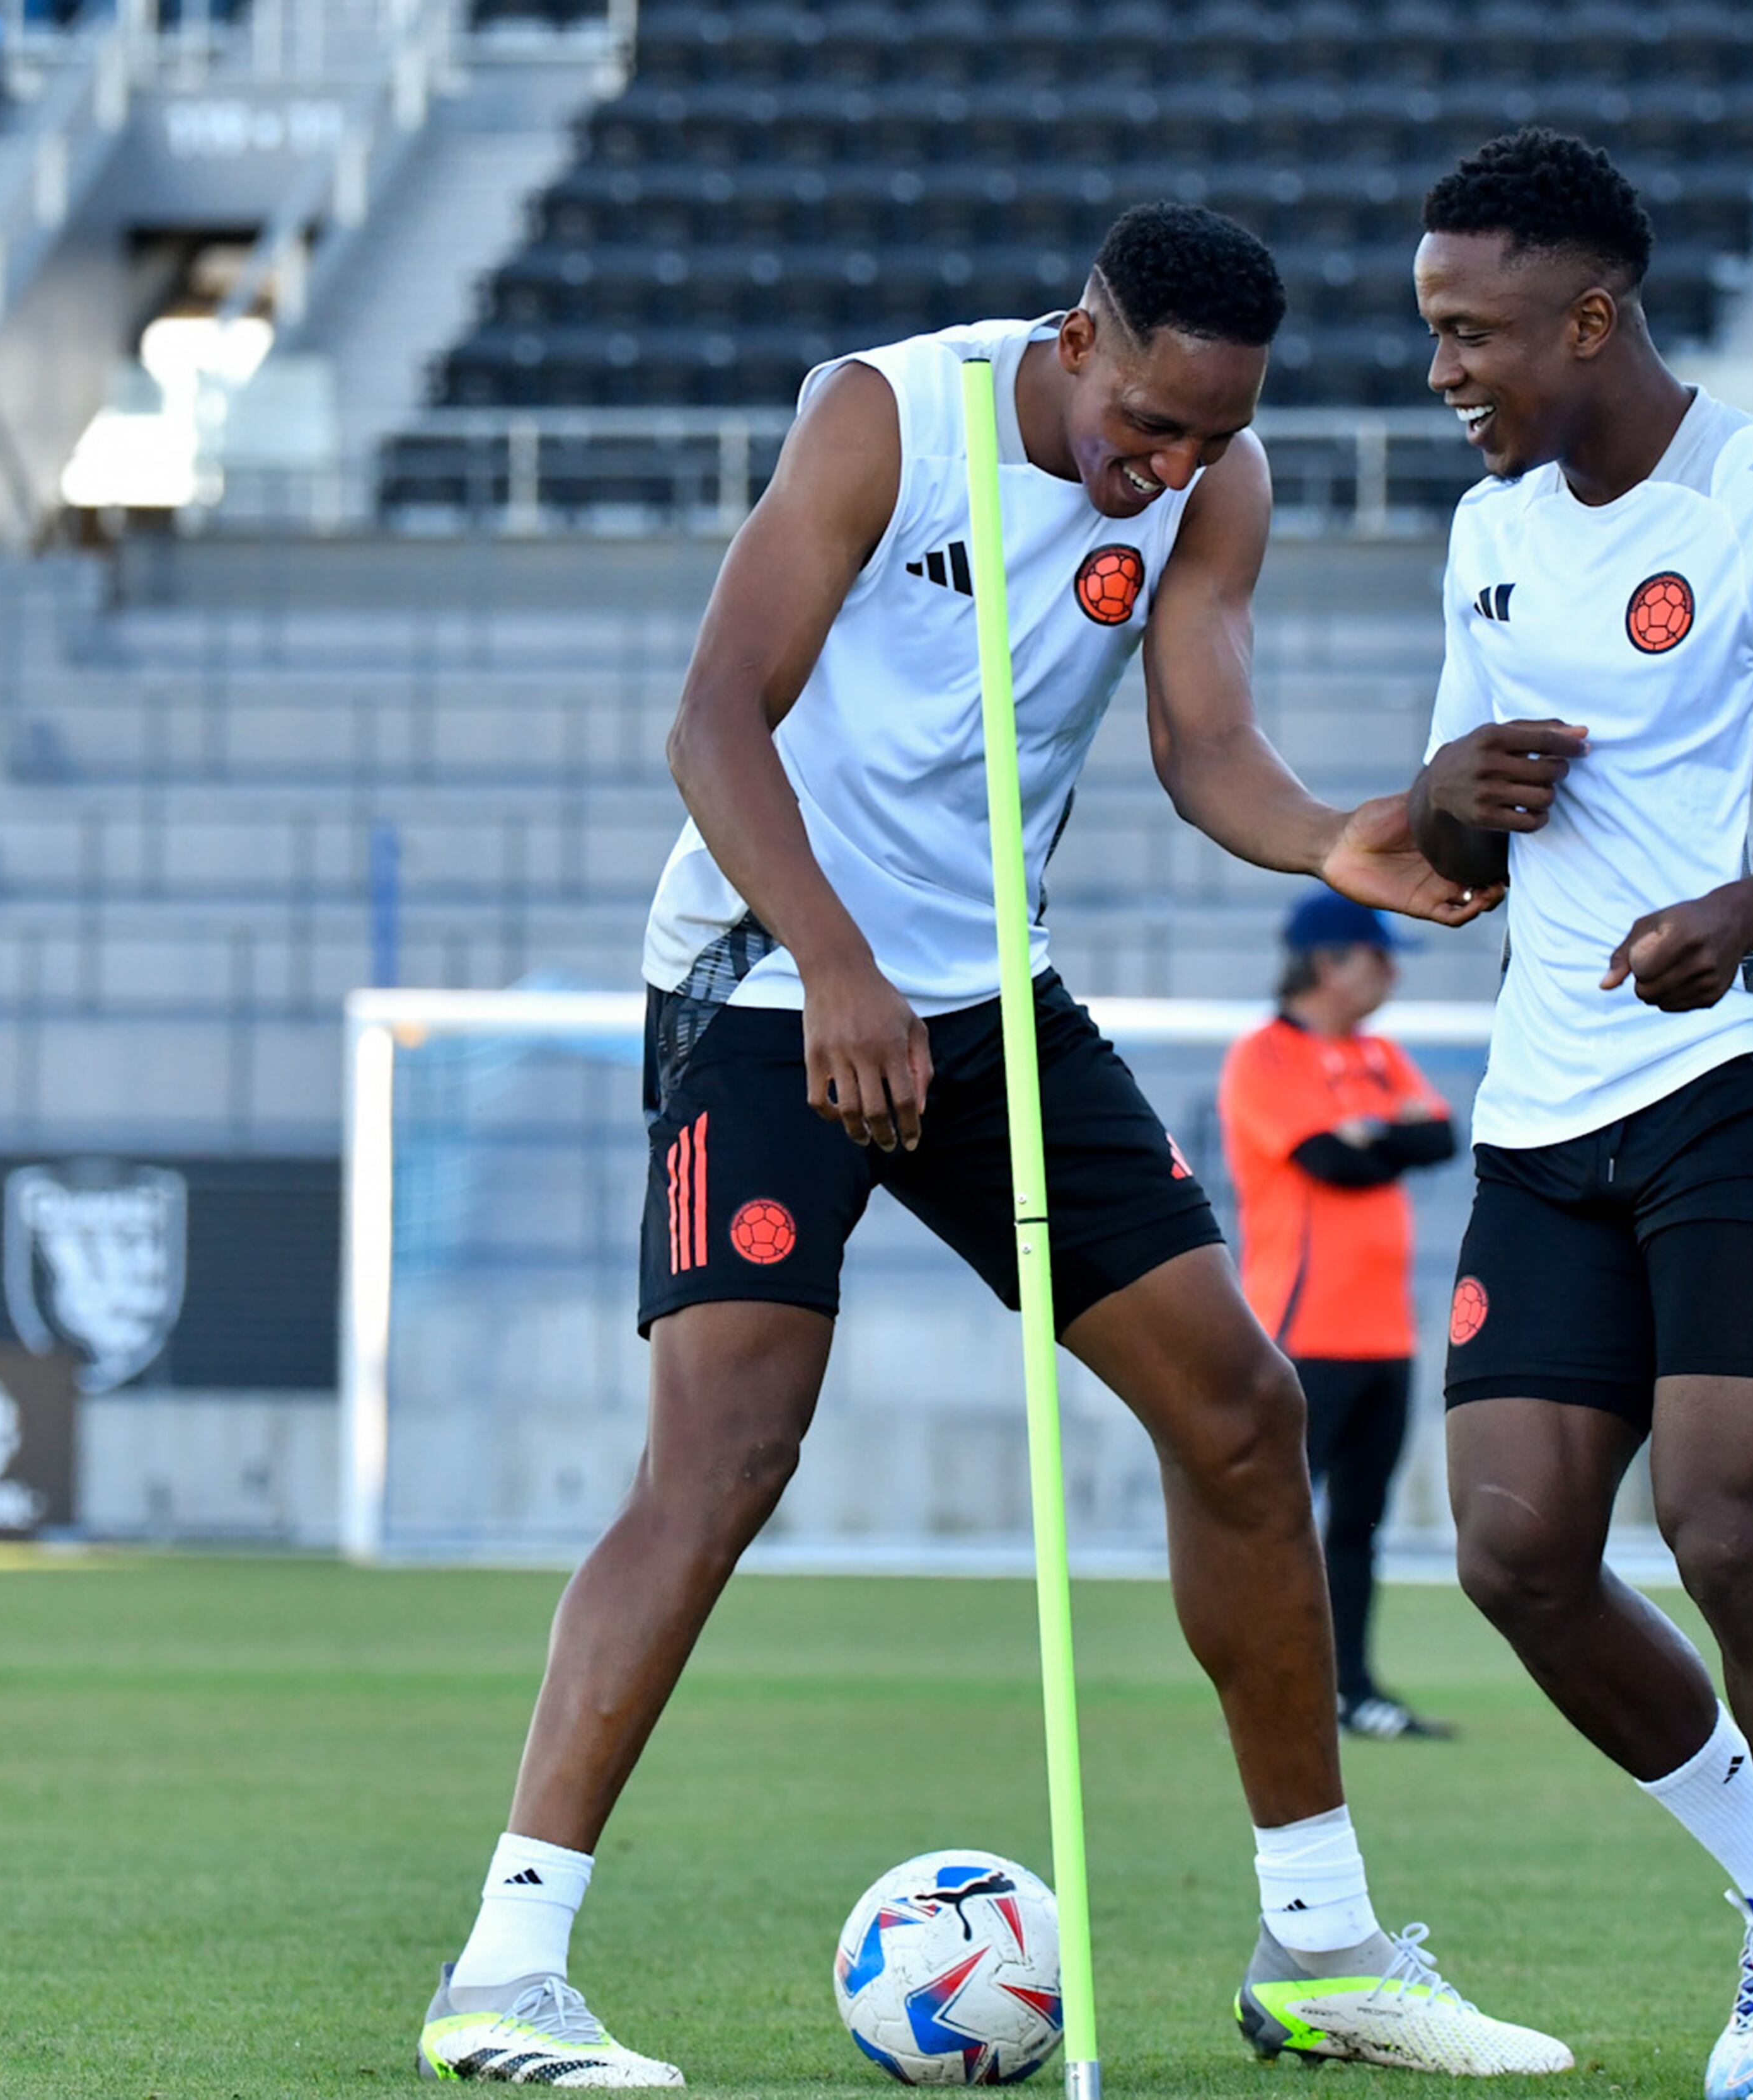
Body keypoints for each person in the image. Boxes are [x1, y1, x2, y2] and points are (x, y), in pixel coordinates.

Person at [416, 204, 1570, 2086]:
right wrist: (839, 965)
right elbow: (714, 718)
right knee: (722, 1456)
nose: (1167, 468)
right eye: (1146, 427)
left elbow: (1208, 749)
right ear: (1076, 335)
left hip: (994, 1012)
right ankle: (505, 1969)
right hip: (767, 983)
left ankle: (1322, 1943)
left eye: (1208, 439)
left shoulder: (1215, 484)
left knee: (1240, 1410)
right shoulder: (883, 417)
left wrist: (1331, 838)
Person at [1403, 133, 1753, 2100]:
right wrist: (1457, 796)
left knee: (1727, 1524)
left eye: (1472, 333)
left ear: (1592, 316)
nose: (1445, 370)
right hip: (1547, 1101)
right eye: (1430, 331)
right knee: (1516, 1553)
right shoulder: (1486, 534)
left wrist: (1739, 913)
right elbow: (1447, 834)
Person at [1219, 890, 1463, 1743]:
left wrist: (1374, 1134)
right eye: (1378, 955)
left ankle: (1353, 1688)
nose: (1391, 972)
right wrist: (1371, 1136)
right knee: (1276, 1523)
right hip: (1300, 1334)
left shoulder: (1380, 1054)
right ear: (1329, 963)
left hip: (1384, 1336)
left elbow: (1440, 1137)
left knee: (1358, 1524)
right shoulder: (1264, 1058)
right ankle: (1265, 1693)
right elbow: (1330, 1161)